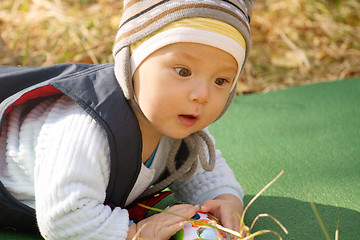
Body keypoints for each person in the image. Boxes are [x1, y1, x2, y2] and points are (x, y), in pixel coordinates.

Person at [0, 0, 255, 239]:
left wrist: (224, 199)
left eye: (221, 81)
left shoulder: (178, 120)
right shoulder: (90, 125)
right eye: (182, 71)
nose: (202, 95)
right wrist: (135, 232)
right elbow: (63, 218)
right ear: (131, 61)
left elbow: (201, 170)